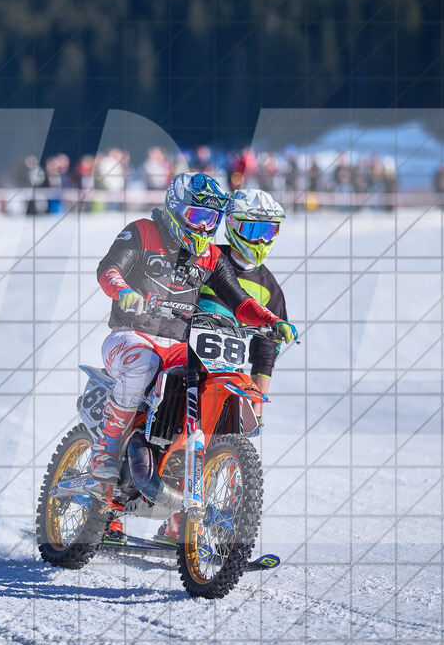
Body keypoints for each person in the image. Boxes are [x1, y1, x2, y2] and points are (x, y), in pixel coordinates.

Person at [90, 172, 298, 491]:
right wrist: (124, 292)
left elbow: (240, 300)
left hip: (178, 345)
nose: (202, 227)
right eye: (197, 216)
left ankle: (178, 465)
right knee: (143, 363)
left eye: (210, 219)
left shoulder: (211, 256)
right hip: (130, 334)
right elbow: (109, 268)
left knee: (208, 379)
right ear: (175, 209)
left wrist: (271, 320)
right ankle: (105, 450)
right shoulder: (143, 231)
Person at [198, 188, 287, 425]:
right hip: (182, 357)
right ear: (233, 225)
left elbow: (266, 351)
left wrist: (257, 407)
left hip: (228, 373)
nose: (261, 241)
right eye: (253, 230)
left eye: (268, 231)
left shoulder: (270, 288)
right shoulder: (206, 259)